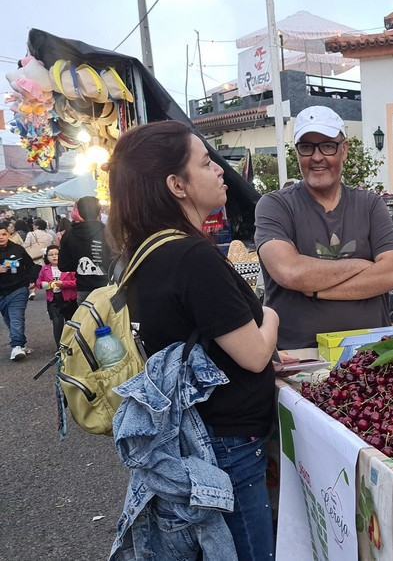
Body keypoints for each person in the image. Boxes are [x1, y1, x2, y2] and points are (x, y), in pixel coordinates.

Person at [106, 120, 279, 560]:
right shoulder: (192, 256)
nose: (220, 170)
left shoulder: (142, 253)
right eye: (206, 162)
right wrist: (273, 313)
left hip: (189, 441)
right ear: (176, 185)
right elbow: (255, 355)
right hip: (225, 447)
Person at [255, 105, 393, 349]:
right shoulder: (275, 205)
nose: (317, 157)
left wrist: (315, 290)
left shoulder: (369, 204)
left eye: (327, 146)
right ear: (297, 153)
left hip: (373, 354)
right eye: (307, 147)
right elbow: (289, 271)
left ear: (343, 150)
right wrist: (361, 266)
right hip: (301, 357)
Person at [59, 196, 112, 303]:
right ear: (99, 212)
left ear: (80, 213)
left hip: (84, 290)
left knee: (85, 319)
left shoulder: (69, 235)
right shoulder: (109, 233)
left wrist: (79, 266)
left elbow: (63, 265)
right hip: (108, 288)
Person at [35, 244, 77, 346]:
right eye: (51, 255)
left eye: (57, 254)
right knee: (57, 325)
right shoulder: (45, 269)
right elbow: (38, 283)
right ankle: (60, 347)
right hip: (53, 300)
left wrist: (63, 284)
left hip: (69, 300)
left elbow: (76, 282)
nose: (54, 256)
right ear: (46, 257)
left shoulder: (69, 267)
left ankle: (74, 345)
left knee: (71, 324)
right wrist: (47, 285)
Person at [0, 225, 31, 361]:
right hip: (1, 292)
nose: (1, 237)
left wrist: (30, 280)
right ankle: (20, 343)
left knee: (16, 316)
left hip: (18, 289)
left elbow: (31, 265)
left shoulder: (17, 249)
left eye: (4, 234)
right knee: (9, 319)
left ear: (9, 235)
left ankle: (17, 346)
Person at [24, 218, 55, 300]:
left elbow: (26, 245)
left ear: (37, 226)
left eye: (34, 225)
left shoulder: (31, 234)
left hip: (35, 259)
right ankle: (50, 290)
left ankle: (33, 292)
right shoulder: (49, 236)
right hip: (46, 258)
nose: (33, 226)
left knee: (34, 276)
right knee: (47, 275)